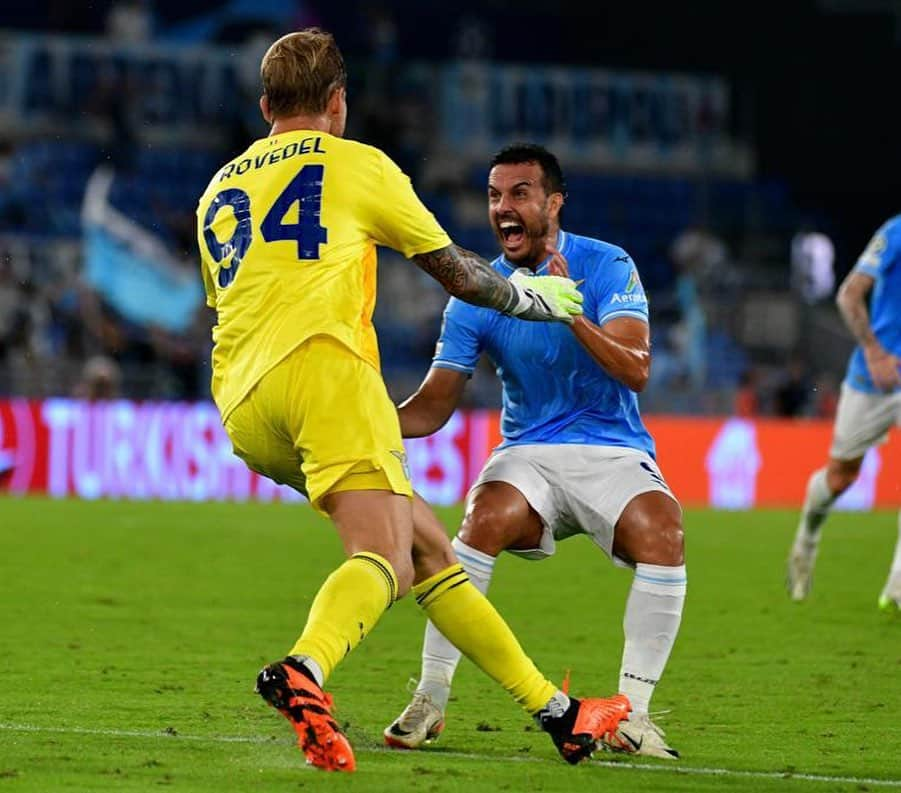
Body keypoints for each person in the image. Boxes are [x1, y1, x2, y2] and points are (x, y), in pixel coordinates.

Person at [195, 30, 629, 773]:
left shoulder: (218, 188)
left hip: (241, 401)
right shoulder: (357, 164)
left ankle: (559, 713)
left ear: (266, 105)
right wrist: (530, 298)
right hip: (326, 372)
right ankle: (304, 668)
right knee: (386, 557)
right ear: (338, 102)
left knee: (427, 549)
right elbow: (457, 273)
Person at [383, 143, 686, 759]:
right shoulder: (480, 292)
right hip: (529, 453)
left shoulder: (607, 265)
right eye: (495, 196)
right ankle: (430, 698)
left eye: (519, 193)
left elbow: (636, 370)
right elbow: (434, 405)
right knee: (482, 518)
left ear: (553, 203)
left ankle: (634, 718)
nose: (503, 208)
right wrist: (368, 424)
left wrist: (567, 310)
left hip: (612, 452)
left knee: (665, 533)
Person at [787, 214, 901, 610]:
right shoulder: (895, 232)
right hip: (877, 377)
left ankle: (897, 588)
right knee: (840, 477)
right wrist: (873, 352)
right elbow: (849, 294)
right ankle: (807, 540)